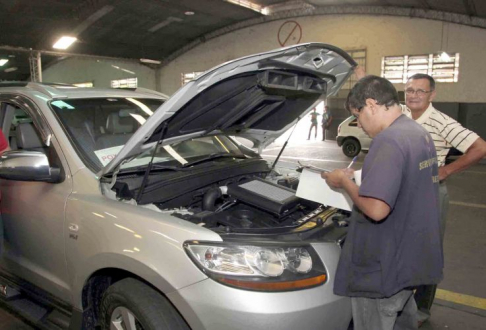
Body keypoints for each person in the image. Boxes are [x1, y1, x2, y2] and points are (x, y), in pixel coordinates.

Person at [322, 75, 443, 330]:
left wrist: (344, 183)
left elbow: (376, 209)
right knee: (401, 319)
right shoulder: (417, 132)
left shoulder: (387, 140)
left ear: (371, 104)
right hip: (410, 259)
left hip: (383, 269)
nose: (360, 125)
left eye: (358, 115)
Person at [403, 73, 486, 323]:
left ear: (432, 95)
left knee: (429, 251)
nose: (414, 95)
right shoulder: (403, 116)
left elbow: (480, 147)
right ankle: (403, 302)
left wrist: (447, 170)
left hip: (429, 193)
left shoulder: (441, 121)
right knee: (405, 247)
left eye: (420, 91)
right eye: (409, 90)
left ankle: (422, 310)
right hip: (405, 192)